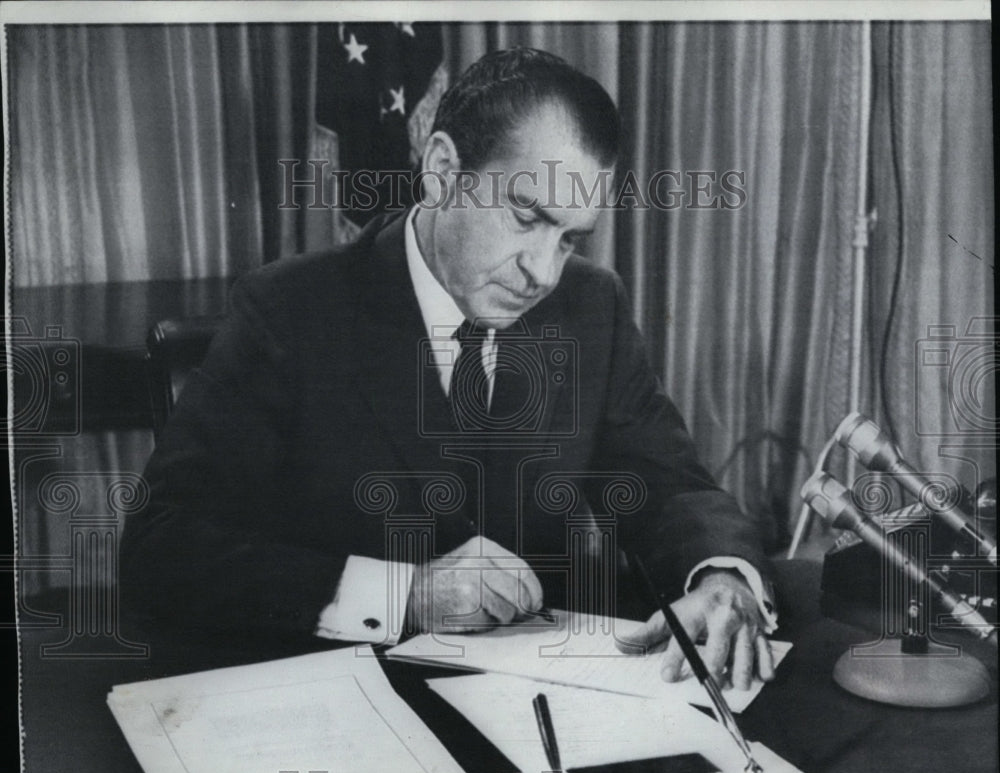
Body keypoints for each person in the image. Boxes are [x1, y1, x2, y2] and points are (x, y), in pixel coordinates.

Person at [121, 48, 777, 690]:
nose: (543, 272)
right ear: (441, 168)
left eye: (570, 237)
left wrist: (719, 576)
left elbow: (668, 485)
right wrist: (403, 594)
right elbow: (162, 550)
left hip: (549, 712)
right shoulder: (289, 311)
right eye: (526, 217)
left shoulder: (590, 306)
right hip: (345, 713)